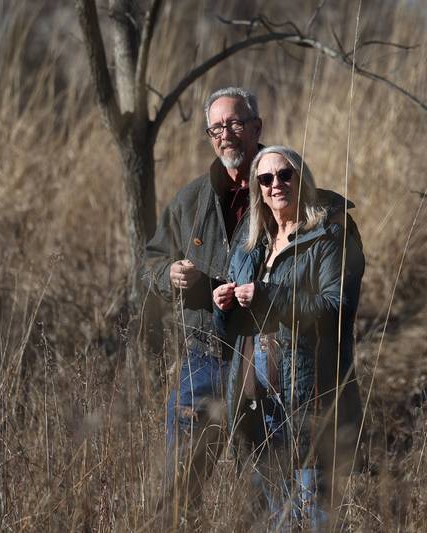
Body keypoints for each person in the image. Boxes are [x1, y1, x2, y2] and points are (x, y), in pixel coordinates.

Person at [212, 146, 365, 530]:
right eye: (265, 179)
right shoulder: (252, 243)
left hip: (308, 398)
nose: (276, 184)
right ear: (257, 189)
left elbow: (337, 309)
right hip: (255, 404)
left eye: (285, 175)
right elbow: (228, 333)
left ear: (303, 179)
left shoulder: (331, 233)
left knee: (314, 511)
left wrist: (271, 297)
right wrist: (223, 305)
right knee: (274, 517)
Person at [143, 86, 263, 512]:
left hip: (264, 357)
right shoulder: (191, 199)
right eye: (216, 127)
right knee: (182, 480)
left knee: (264, 481)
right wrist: (168, 274)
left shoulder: (281, 183)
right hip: (204, 356)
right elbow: (152, 260)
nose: (225, 134)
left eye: (234, 124)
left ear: (255, 128)